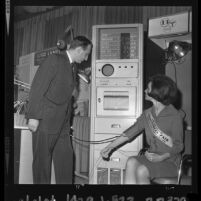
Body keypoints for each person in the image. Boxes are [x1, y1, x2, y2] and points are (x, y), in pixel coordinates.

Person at [26, 36, 92, 184]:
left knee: (66, 158)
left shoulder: (72, 66)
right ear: (79, 49)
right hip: (45, 120)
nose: (86, 58)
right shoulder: (54, 60)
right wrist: (33, 116)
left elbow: (64, 94)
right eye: (86, 54)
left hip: (62, 123)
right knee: (42, 164)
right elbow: (38, 87)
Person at [100, 74, 184, 184]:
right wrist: (109, 147)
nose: (144, 90)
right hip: (152, 158)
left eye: (148, 88)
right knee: (131, 161)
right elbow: (129, 133)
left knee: (141, 171)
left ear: (157, 93)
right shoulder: (147, 114)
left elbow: (178, 146)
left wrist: (162, 157)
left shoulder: (175, 116)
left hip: (170, 162)